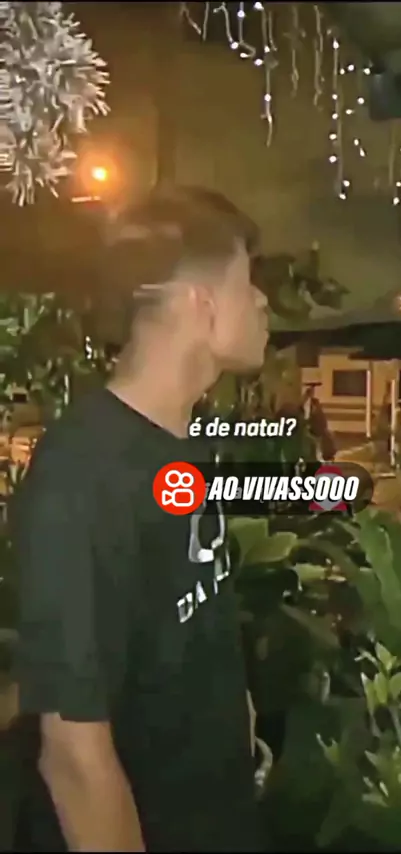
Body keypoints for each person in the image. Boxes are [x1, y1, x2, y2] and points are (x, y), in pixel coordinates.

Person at [12, 187, 269, 852]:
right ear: (201, 305)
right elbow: (73, 755)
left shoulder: (179, 444)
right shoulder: (82, 476)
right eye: (248, 283)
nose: (263, 302)